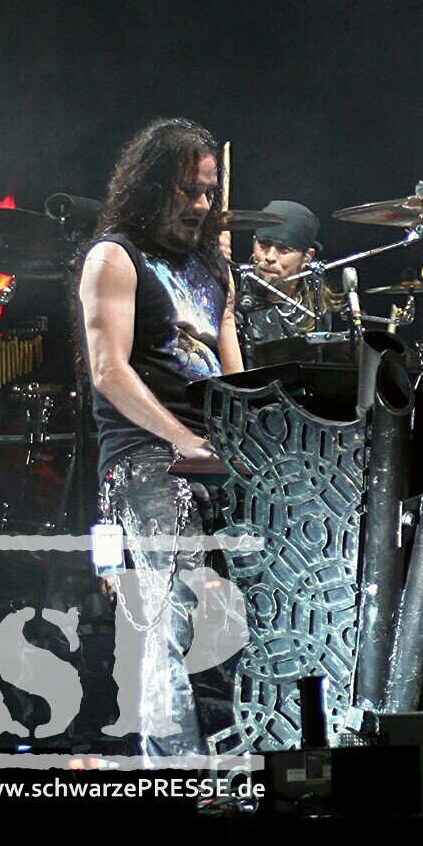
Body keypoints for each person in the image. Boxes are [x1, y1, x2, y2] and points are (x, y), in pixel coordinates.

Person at [77, 118, 244, 758]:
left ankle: (239, 761)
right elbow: (108, 370)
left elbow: (234, 374)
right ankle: (172, 773)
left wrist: (250, 440)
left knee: (241, 615)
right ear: (151, 186)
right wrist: (182, 440)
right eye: (187, 190)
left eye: (207, 191)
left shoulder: (215, 270)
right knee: (169, 616)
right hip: (146, 455)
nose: (200, 205)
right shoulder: (114, 257)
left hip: (213, 453)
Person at [235, 200, 336, 363]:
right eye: (264, 245)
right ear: (254, 242)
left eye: (284, 250)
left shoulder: (318, 305)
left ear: (307, 257)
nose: (270, 257)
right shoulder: (234, 298)